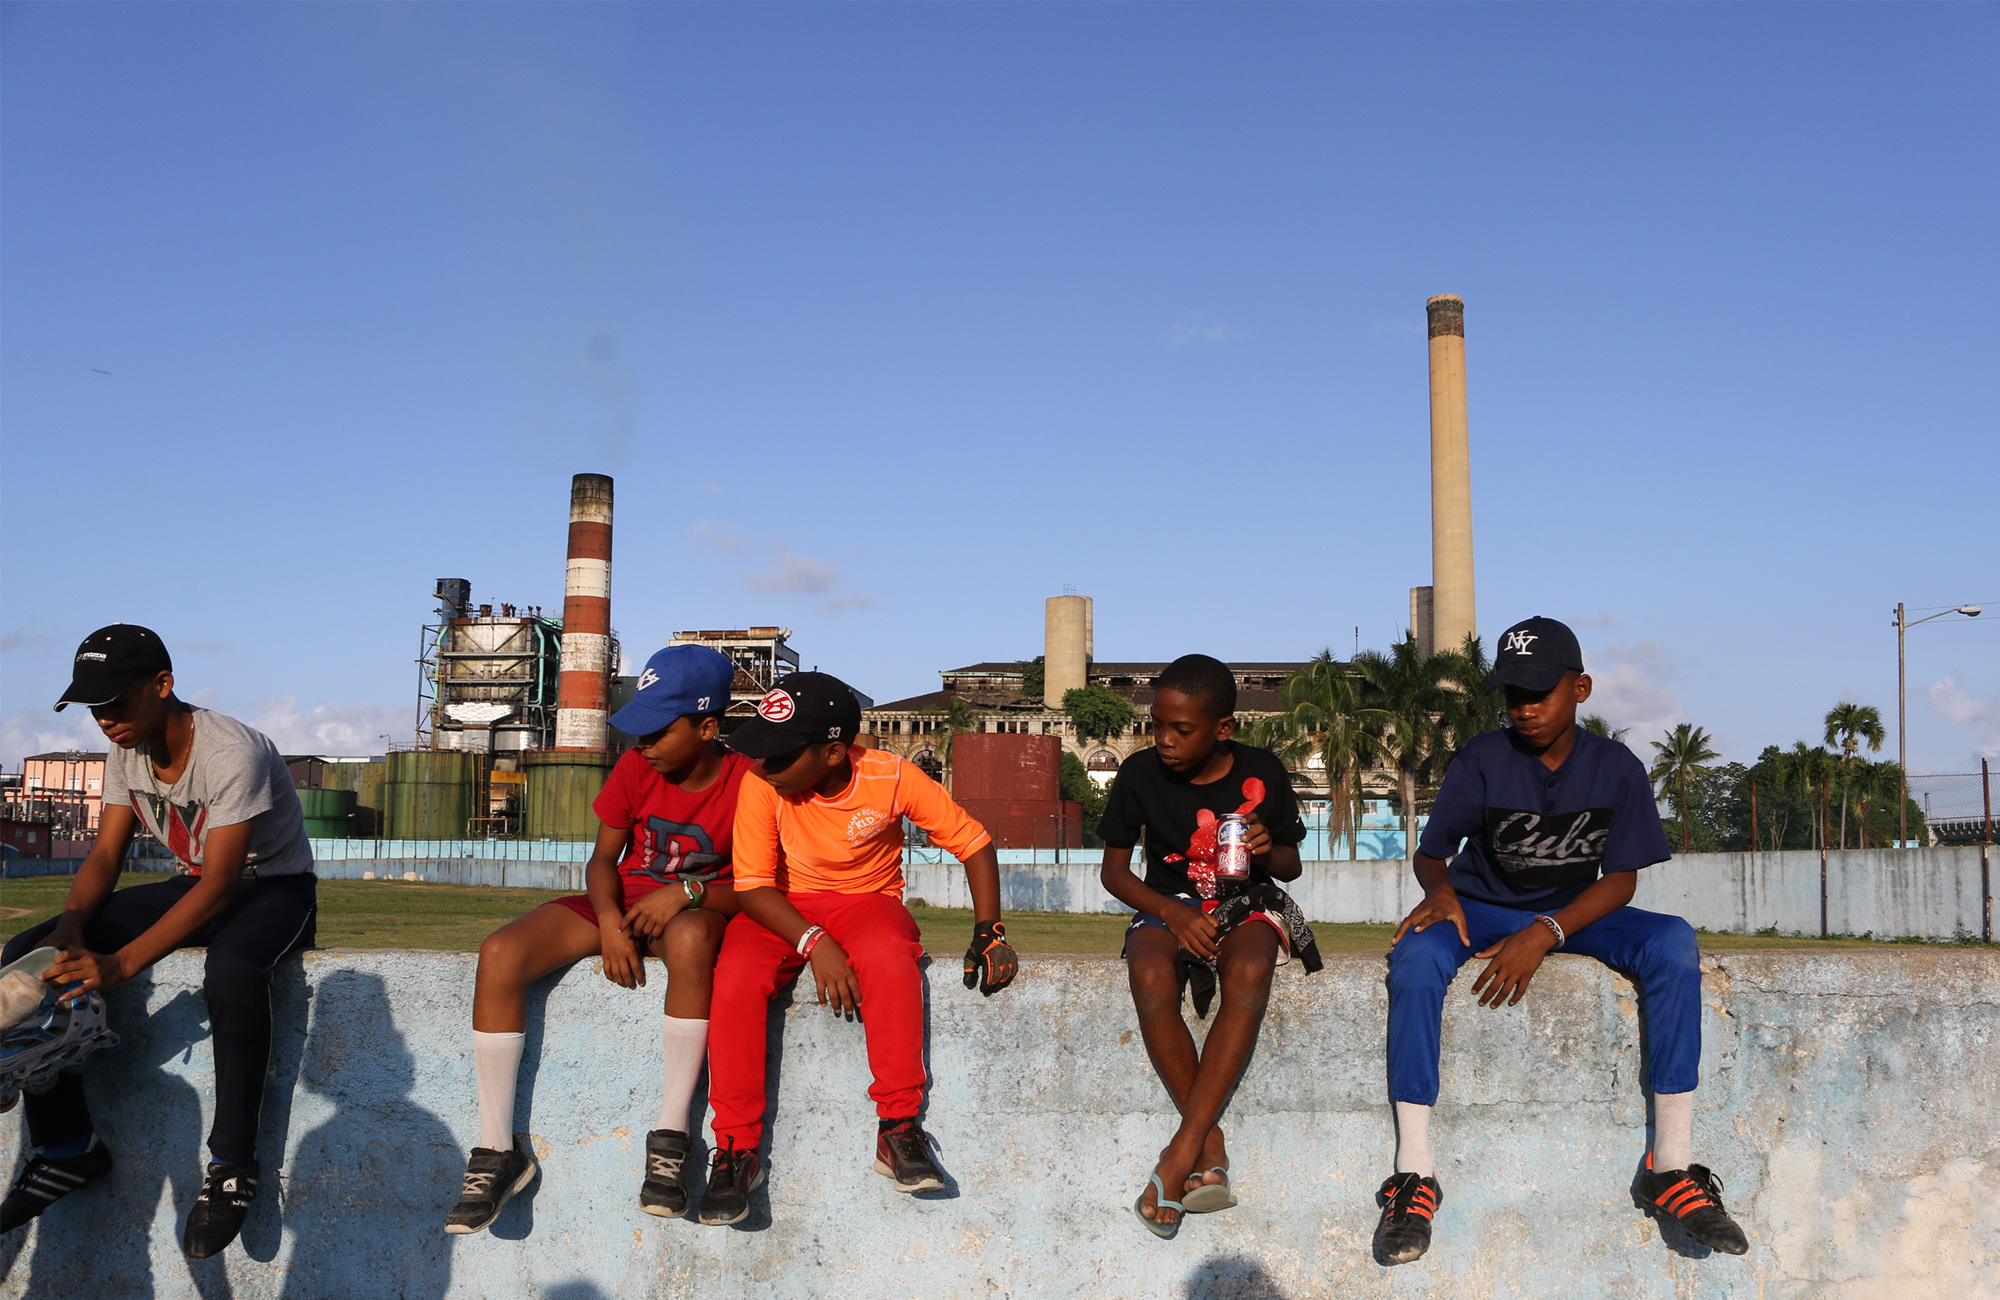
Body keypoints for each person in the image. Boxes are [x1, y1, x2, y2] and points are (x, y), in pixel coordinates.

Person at [1375, 616, 1749, 1263]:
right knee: (1413, 958)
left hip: (1576, 911)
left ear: (1581, 688)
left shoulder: (1616, 767)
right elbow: (1431, 855)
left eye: (1539, 692)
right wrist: (1438, 893)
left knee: (1672, 943)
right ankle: (1414, 1174)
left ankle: (1673, 1167)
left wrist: (1545, 932)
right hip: (1481, 909)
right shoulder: (1483, 760)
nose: (1523, 708)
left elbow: (1622, 880)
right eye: (1512, 694)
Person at [0, 625, 318, 1258]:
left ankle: (231, 1167)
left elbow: (225, 882)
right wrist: (71, 925)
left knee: (230, 972)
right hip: (191, 883)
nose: (105, 721)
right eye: (94, 708)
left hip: (272, 888)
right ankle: (67, 1148)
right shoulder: (128, 748)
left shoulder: (232, 751)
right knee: (27, 953)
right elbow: (106, 855)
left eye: (115, 703)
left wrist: (117, 965)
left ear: (162, 685)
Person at [444, 644, 752, 1234]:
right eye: (638, 730)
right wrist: (609, 921)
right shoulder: (637, 767)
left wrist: (686, 894)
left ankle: (672, 1136)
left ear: (708, 727)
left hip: (699, 910)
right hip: (620, 904)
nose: (642, 744)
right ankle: (495, 1150)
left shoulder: (749, 782)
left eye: (658, 732)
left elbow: (761, 887)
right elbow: (602, 861)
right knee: (500, 951)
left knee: (689, 941)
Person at [694, 672, 1017, 1226]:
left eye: (778, 755)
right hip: (780, 905)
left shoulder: (890, 775)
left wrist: (989, 930)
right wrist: (814, 942)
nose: (764, 765)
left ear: (833, 752)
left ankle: (898, 1129)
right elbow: (751, 887)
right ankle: (736, 1152)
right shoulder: (761, 783)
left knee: (891, 957)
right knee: (737, 975)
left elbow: (974, 843)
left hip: (867, 900)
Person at [1097, 653, 1318, 1239]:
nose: (1164, 740)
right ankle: (1208, 1143)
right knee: (1148, 974)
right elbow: (1115, 874)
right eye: (1156, 726)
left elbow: (1290, 867)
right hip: (1170, 905)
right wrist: (1170, 913)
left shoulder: (1262, 770)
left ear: (1225, 728)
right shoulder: (1140, 775)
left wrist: (1268, 850)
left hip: (1247, 902)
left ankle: (1180, 1151)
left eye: (1181, 729)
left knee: (1249, 969)